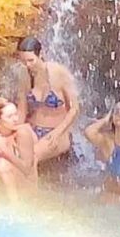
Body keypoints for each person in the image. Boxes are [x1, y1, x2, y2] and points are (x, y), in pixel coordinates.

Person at [16, 37, 81, 167]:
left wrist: (57, 133)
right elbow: (22, 111)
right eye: (24, 61)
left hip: (57, 132)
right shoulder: (24, 75)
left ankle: (29, 188)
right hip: (32, 129)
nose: (28, 65)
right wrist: (12, 131)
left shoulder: (59, 73)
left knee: (31, 157)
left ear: (41, 54)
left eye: (31, 60)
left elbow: (74, 109)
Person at [0, 97, 38, 198]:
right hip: (5, 181)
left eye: (16, 114)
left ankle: (14, 205)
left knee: (1, 163)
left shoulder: (23, 132)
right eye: (10, 116)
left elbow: (27, 169)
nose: (15, 119)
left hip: (26, 184)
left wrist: (4, 150)